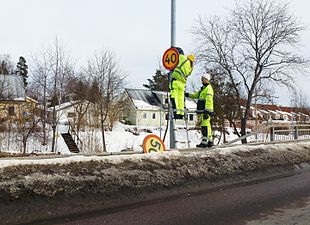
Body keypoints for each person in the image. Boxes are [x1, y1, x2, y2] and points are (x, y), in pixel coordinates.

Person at [185, 73, 214, 148]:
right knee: (207, 125)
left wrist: (207, 111)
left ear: (206, 79)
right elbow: (196, 95)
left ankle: (204, 142)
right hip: (202, 110)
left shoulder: (208, 89)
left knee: (205, 125)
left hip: (205, 111)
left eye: (202, 78)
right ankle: (210, 141)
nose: (201, 80)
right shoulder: (203, 89)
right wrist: (188, 95)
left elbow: (209, 100)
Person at [169, 47, 195, 119]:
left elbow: (175, 55)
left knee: (174, 96)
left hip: (176, 80)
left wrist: (173, 49)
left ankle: (176, 113)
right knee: (181, 99)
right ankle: (181, 114)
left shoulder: (183, 58)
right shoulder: (191, 66)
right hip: (182, 84)